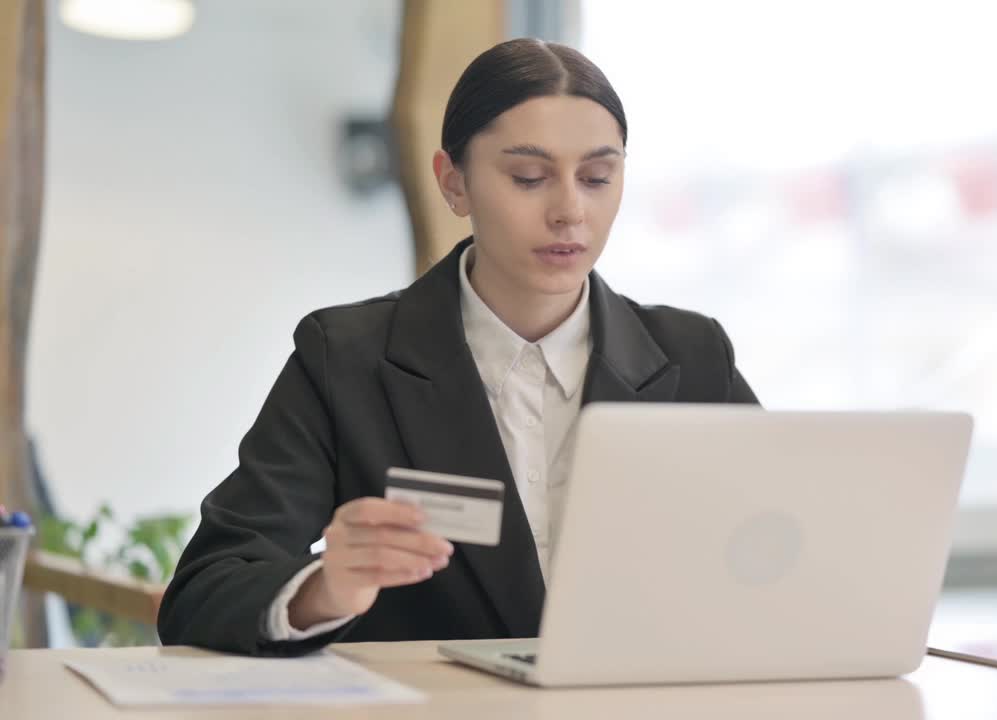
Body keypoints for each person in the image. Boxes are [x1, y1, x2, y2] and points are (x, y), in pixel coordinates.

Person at [157, 38, 757, 657]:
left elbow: (780, 553)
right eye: (529, 177)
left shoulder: (695, 357)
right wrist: (327, 589)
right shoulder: (346, 358)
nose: (571, 211)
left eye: (598, 177)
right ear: (454, 183)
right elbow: (204, 590)